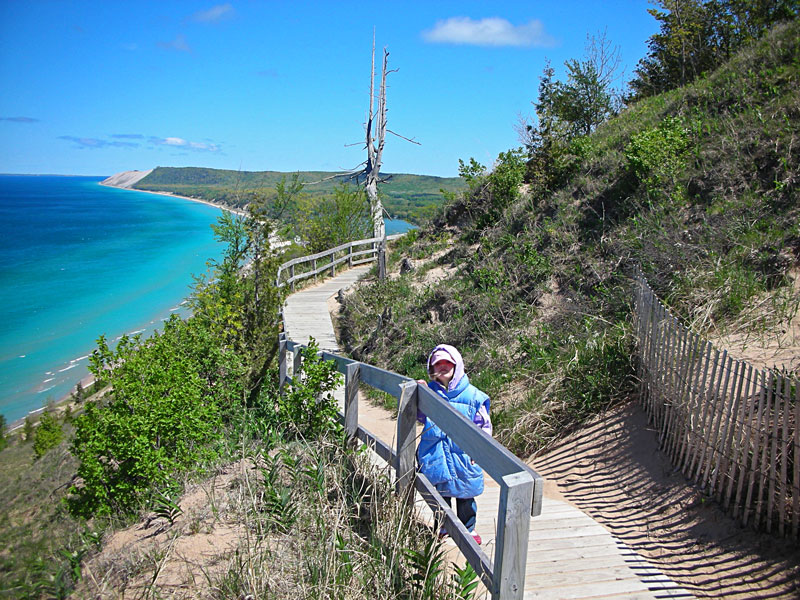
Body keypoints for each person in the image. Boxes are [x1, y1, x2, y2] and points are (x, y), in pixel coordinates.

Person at [416, 344, 492, 545]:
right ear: (431, 368)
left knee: (466, 492)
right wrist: (421, 395)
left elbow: (483, 425)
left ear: (457, 365)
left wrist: (481, 449)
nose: (443, 367)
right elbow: (422, 417)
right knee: (440, 491)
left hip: (464, 452)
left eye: (447, 363)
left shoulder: (473, 395)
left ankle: (468, 528)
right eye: (437, 364)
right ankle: (443, 525)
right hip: (437, 451)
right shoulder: (428, 390)